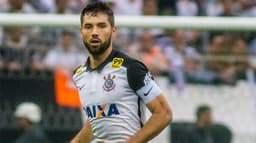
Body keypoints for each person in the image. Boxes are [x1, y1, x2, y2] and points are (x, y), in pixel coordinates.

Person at [71, 2, 172, 143]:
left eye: (101, 26)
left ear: (113, 30)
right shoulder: (79, 74)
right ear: (81, 32)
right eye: (88, 26)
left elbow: (164, 114)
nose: (94, 32)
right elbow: (95, 122)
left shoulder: (130, 68)